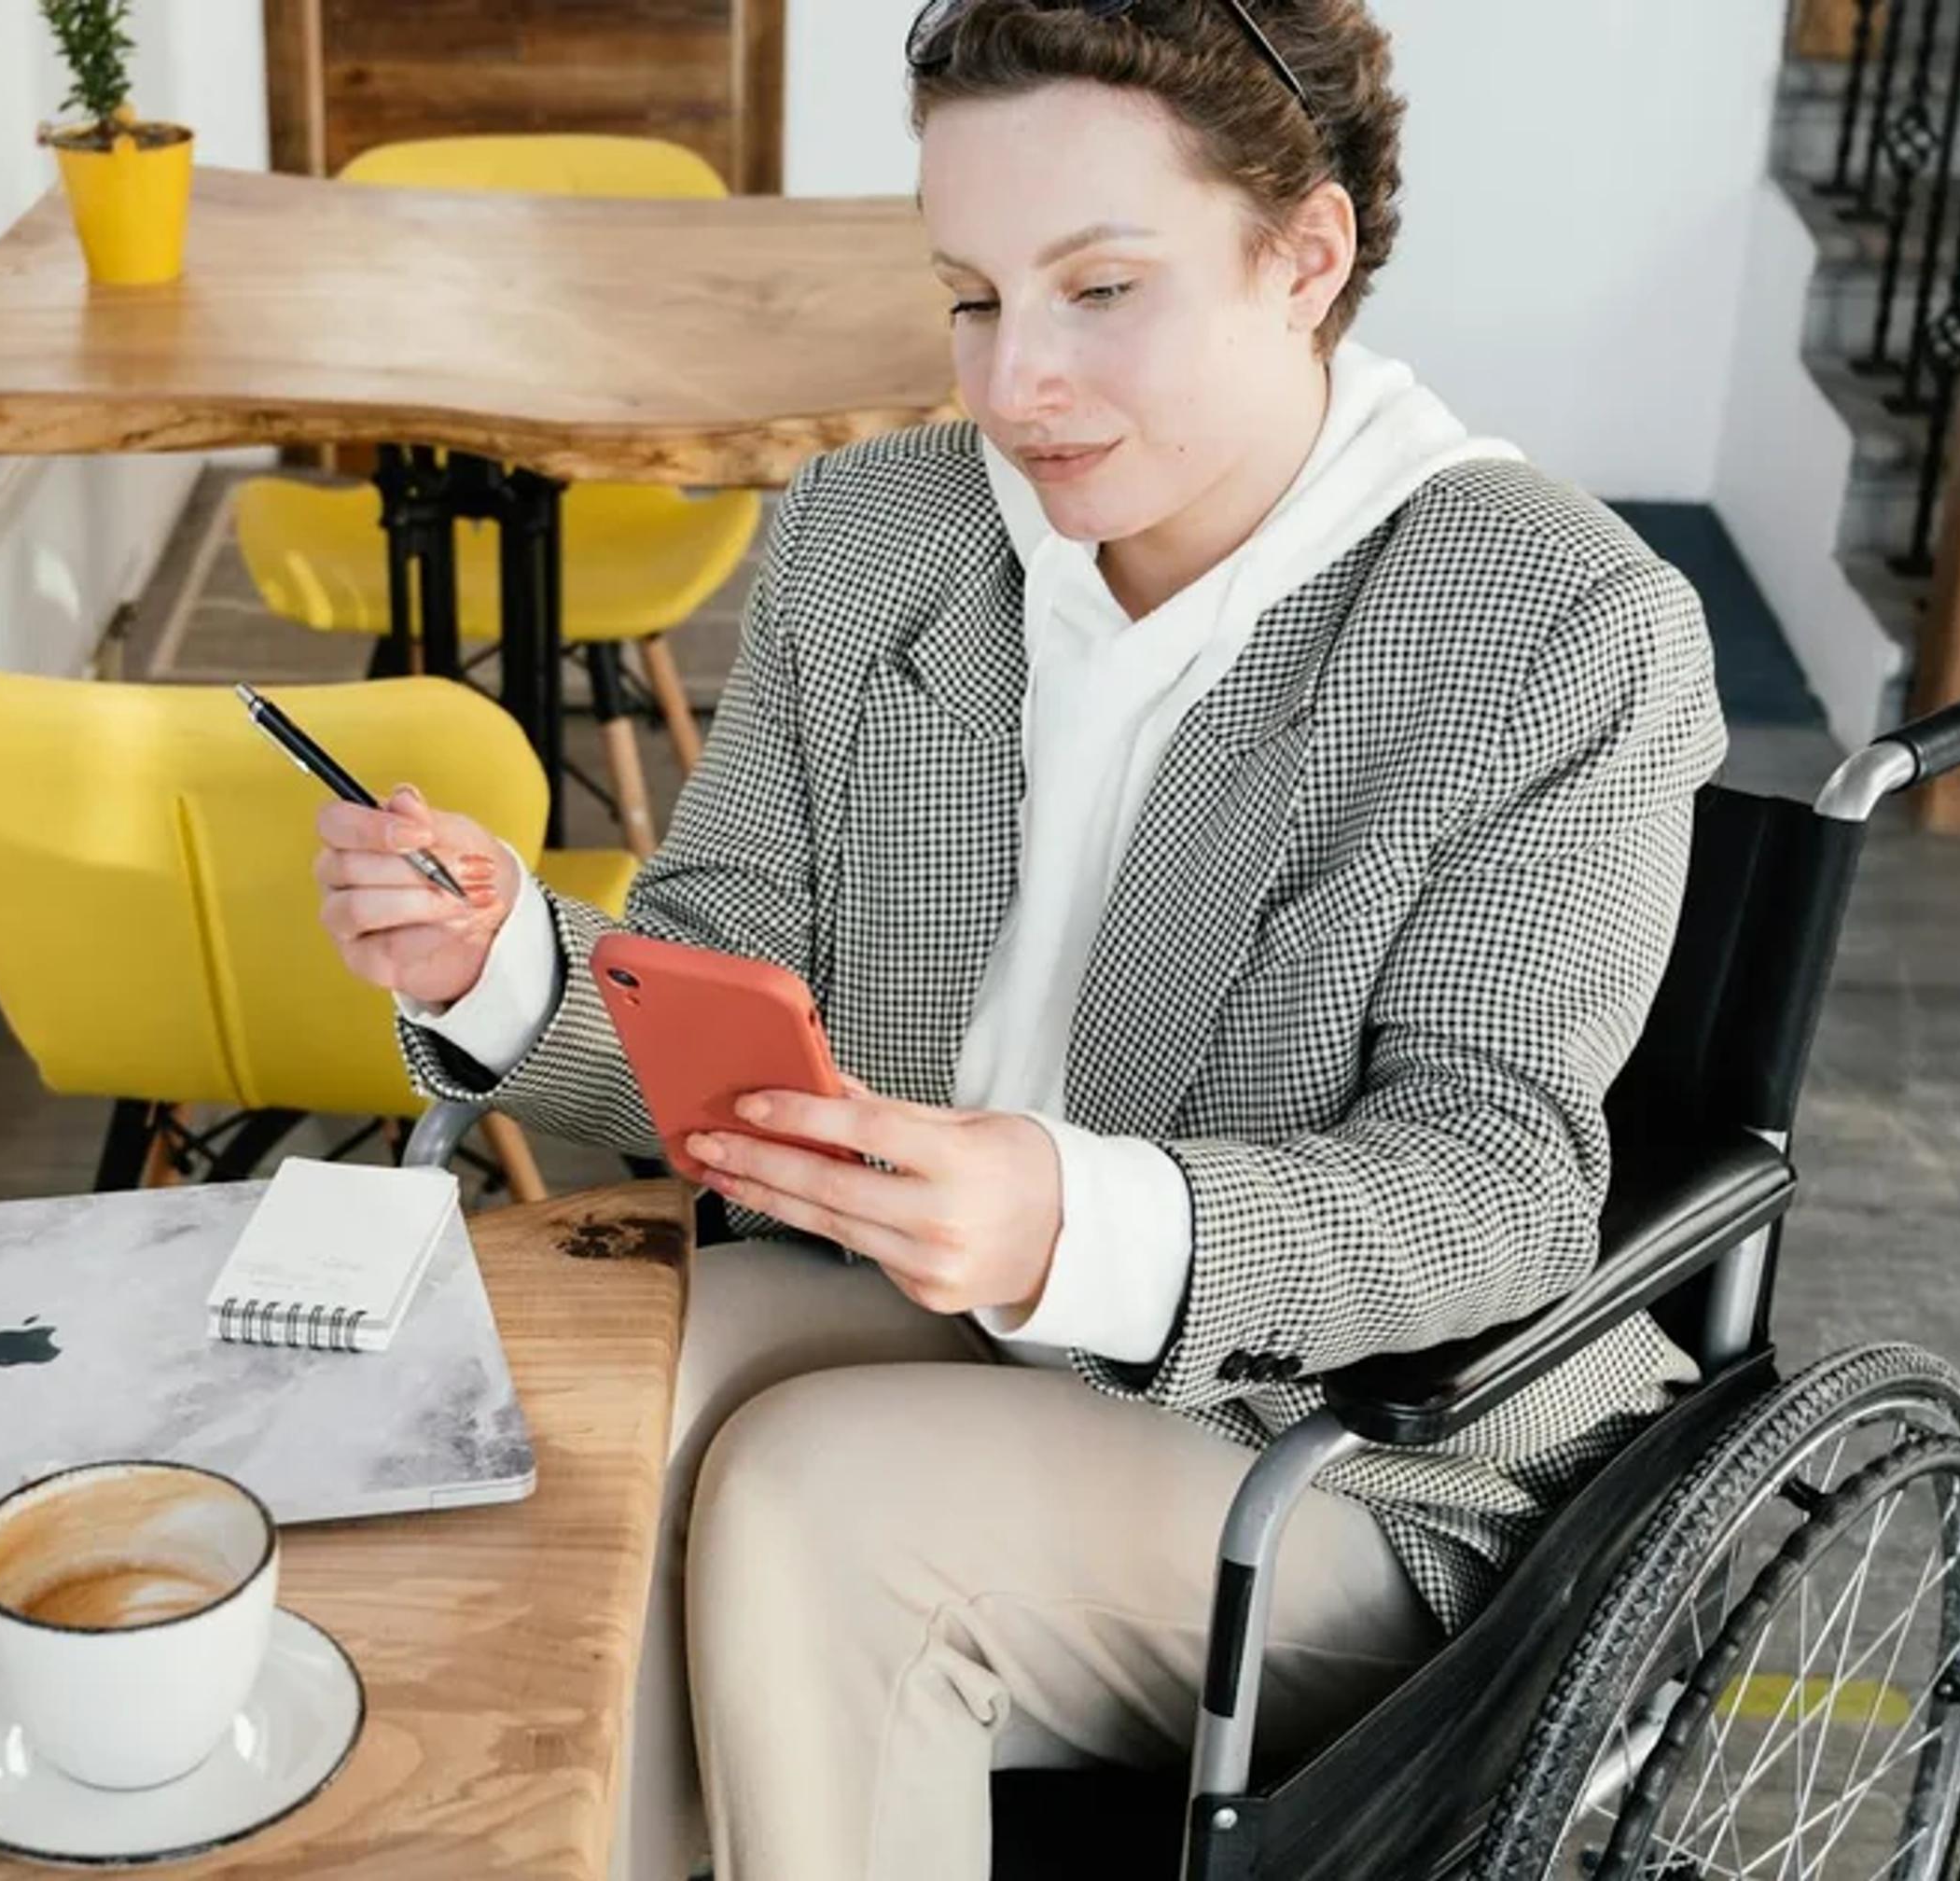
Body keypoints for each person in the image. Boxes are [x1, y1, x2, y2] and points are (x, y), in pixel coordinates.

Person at [310, 2, 1726, 1874]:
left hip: (1348, 1449)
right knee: (553, 1426)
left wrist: (1075, 1220)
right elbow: (720, 980)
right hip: (930, 1309)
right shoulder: (877, 536)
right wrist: (499, 964)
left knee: (828, 1505)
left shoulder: (1554, 624)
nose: (1011, 382)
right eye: (973, 297)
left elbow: (1495, 1186)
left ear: (1305, 257)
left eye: (1102, 289)